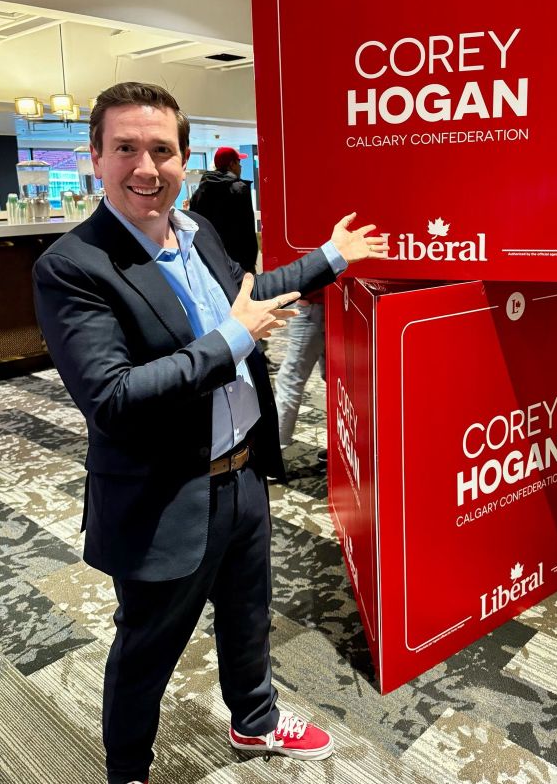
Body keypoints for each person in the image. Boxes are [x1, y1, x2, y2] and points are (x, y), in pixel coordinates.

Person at [31, 82, 388, 784]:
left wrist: (332, 256)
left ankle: (254, 720)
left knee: (249, 613)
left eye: (161, 150)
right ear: (95, 158)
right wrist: (232, 340)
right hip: (163, 494)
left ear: (184, 160)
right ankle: (128, 770)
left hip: (242, 470)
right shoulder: (73, 266)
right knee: (148, 648)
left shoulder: (198, 230)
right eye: (125, 149)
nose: (145, 167)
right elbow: (113, 399)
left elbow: (247, 298)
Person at [189, 146, 258, 272]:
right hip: (239, 261)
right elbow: (246, 229)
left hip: (210, 259)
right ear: (231, 164)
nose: (241, 167)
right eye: (239, 162)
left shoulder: (200, 191)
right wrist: (250, 263)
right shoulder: (239, 189)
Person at [274, 289, 326, 452]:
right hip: (328, 304)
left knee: (290, 380)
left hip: (314, 305)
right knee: (333, 376)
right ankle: (339, 445)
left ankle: (277, 446)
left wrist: (304, 296)